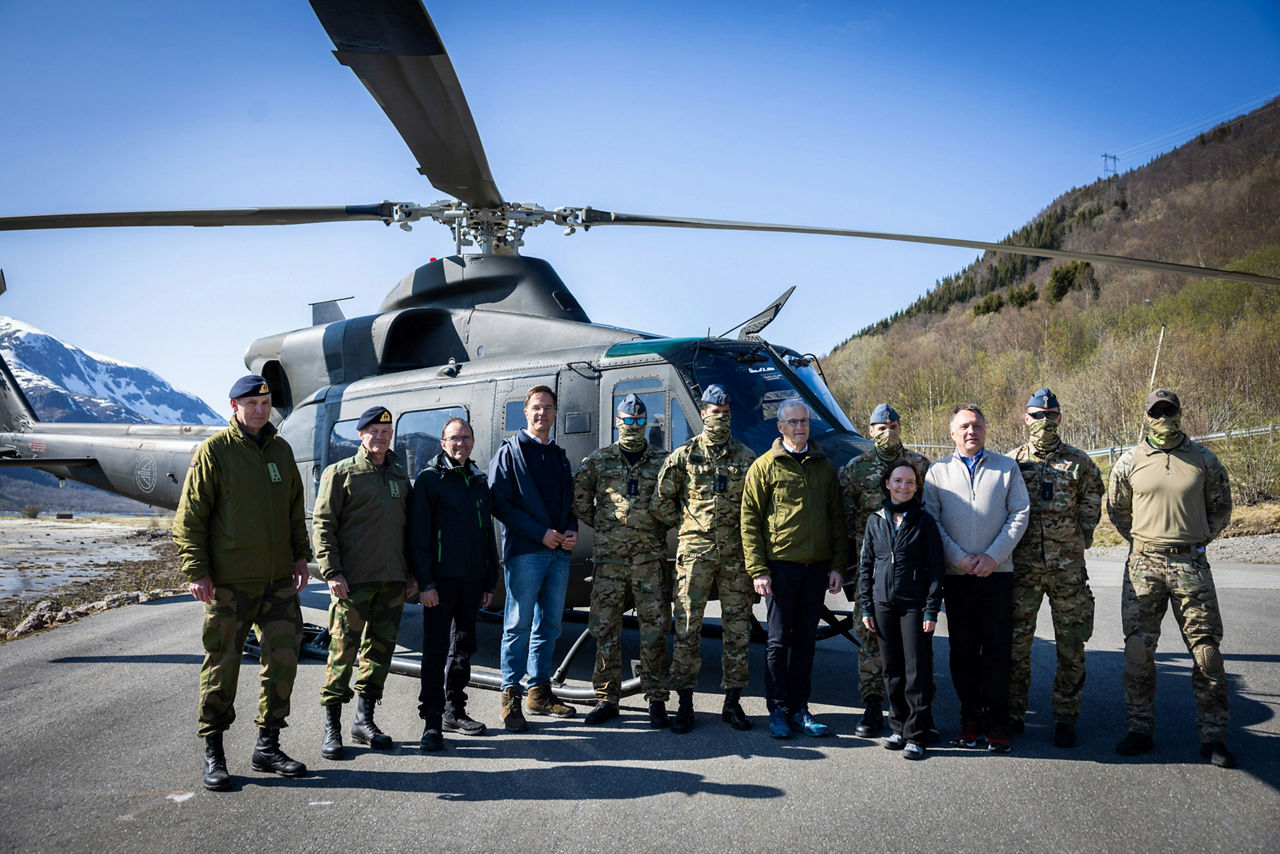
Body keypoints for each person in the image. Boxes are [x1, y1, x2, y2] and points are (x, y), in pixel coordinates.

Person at [172, 374, 312, 791]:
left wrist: (300, 555)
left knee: (284, 660)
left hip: (278, 581)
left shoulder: (281, 451)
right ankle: (214, 749)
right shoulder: (214, 452)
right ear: (234, 406)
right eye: (250, 403)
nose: (259, 410)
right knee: (222, 664)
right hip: (231, 581)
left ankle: (267, 745)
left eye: (265, 403)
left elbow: (294, 508)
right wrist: (196, 570)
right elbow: (190, 518)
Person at [1107, 388, 1235, 768]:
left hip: (1191, 566)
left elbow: (1221, 509)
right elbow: (1118, 511)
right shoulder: (1129, 462)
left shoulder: (1204, 460)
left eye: (1169, 410)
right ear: (1146, 417)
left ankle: (1214, 737)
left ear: (1179, 413)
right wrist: (1147, 541)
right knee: (1138, 652)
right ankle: (1139, 728)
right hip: (1143, 566)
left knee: (1207, 654)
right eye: (1156, 412)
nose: (1163, 417)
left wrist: (1192, 540)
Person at [652, 384, 758, 734]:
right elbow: (661, 503)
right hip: (694, 556)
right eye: (715, 413)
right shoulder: (683, 457)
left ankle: (733, 702)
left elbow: (755, 507)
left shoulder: (745, 458)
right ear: (703, 414)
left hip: (735, 557)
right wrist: (689, 525)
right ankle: (684, 703)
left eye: (726, 414)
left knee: (738, 630)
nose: (721, 419)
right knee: (686, 628)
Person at [923, 403, 1029, 753]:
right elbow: (932, 521)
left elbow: (1019, 513)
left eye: (978, 426)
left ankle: (998, 723)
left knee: (998, 651)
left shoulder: (1006, 467)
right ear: (952, 432)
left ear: (986, 430)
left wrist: (992, 556)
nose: (972, 431)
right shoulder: (936, 473)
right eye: (965, 426)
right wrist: (960, 558)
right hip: (958, 577)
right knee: (963, 651)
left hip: (996, 575)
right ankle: (970, 719)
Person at [313, 405, 415, 760]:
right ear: (361, 434)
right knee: (342, 654)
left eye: (386, 431)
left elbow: (410, 531)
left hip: (392, 581)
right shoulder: (340, 473)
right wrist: (332, 572)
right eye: (373, 430)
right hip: (353, 582)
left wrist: (412, 574)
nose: (380, 436)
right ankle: (332, 727)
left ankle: (363, 721)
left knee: (379, 654)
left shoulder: (400, 476)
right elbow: (323, 526)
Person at [741, 399, 846, 739]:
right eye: (793, 422)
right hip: (781, 567)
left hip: (815, 568)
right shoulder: (764, 467)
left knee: (805, 642)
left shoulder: (824, 466)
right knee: (777, 641)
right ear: (780, 427)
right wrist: (758, 569)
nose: (800, 427)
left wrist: (836, 566)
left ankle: (800, 708)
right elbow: (750, 521)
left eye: (805, 422)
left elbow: (837, 520)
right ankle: (778, 710)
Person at [1006, 388, 1103, 749]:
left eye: (1051, 416)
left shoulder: (1080, 463)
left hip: (1068, 571)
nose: (1043, 422)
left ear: (1060, 418)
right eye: (1036, 416)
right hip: (1023, 570)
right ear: (1024, 418)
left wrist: (1077, 542)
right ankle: (1014, 713)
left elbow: (1091, 506)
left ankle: (1065, 717)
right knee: (1016, 645)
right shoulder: (1011, 462)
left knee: (1072, 645)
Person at [573, 394, 672, 728]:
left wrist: (651, 525)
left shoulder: (662, 461)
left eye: (640, 421)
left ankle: (656, 698)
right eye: (628, 421)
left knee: (655, 629)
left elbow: (674, 502)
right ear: (617, 421)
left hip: (649, 560)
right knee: (605, 630)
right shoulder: (599, 461)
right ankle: (606, 698)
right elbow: (581, 501)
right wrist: (607, 527)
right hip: (610, 561)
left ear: (648, 423)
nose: (633, 426)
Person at [838, 402, 931, 738]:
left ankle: (916, 713)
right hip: (872, 570)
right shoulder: (856, 468)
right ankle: (873, 705)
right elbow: (844, 511)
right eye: (881, 426)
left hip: (911, 573)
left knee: (914, 644)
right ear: (870, 429)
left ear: (900, 428)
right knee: (869, 638)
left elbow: (933, 514)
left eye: (893, 424)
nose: (887, 431)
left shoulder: (920, 465)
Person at [489, 385, 578, 730]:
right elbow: (499, 503)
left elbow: (568, 503)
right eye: (536, 408)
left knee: (550, 625)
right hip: (526, 552)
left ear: (555, 414)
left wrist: (571, 530)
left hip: (558, 554)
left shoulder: (558, 456)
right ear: (525, 413)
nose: (542, 413)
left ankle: (539, 691)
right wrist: (539, 532)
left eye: (548, 408)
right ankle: (510, 694)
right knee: (517, 625)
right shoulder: (510, 453)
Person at [411, 417, 499, 751]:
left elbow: (486, 534)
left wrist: (489, 579)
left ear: (472, 442)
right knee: (434, 651)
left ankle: (455, 709)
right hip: (440, 581)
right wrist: (426, 583)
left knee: (464, 646)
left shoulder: (478, 480)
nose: (460, 443)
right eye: (453, 438)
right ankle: (431, 721)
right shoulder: (430, 480)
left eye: (465, 437)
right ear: (443, 443)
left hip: (473, 579)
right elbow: (419, 537)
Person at [859, 461, 944, 760]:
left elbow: (935, 569)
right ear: (887, 483)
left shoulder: (925, 522)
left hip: (914, 606)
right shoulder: (875, 520)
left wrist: (931, 609)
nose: (903, 487)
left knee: (915, 670)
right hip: (883, 604)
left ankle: (917, 733)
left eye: (910, 482)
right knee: (891, 669)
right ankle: (897, 726)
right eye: (898, 481)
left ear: (916, 486)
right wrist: (866, 605)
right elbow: (866, 565)